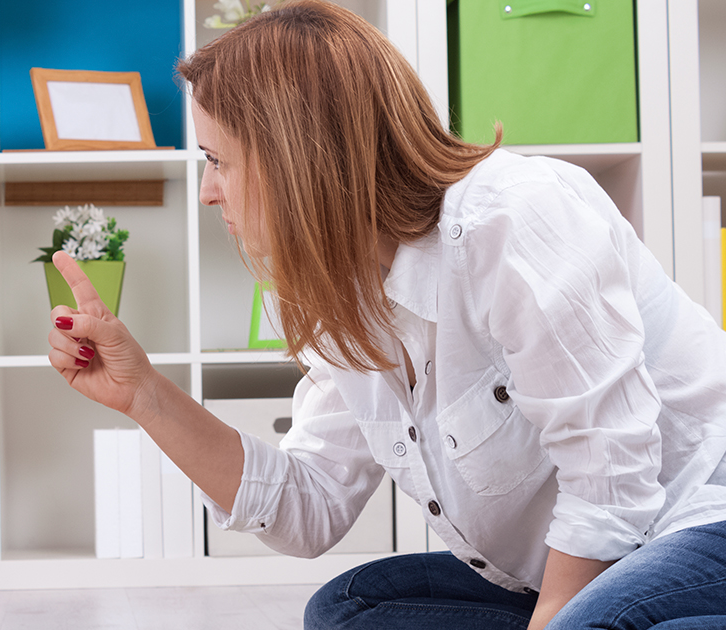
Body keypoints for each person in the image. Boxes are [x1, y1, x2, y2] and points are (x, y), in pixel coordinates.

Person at [46, 2, 726, 628]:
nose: (207, 192)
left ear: (297, 155)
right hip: (563, 562)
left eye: (219, 160)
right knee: (349, 610)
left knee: (596, 620)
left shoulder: (513, 218)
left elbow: (611, 480)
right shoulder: (342, 293)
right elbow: (307, 509)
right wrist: (145, 396)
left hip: (694, 516)